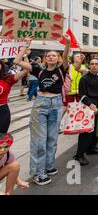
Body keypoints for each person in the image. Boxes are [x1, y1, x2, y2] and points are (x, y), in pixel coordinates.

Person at [29, 34, 71, 186]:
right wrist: (26, 45)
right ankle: (38, 173)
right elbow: (17, 61)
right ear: (45, 58)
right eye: (49, 55)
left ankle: (48, 165)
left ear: (58, 58)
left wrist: (67, 42)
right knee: (39, 140)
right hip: (41, 104)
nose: (52, 57)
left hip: (57, 103)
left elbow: (66, 55)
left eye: (55, 55)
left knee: (52, 139)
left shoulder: (62, 70)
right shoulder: (38, 70)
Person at [72, 58, 98, 166]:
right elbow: (82, 95)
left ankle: (91, 147)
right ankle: (79, 155)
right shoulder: (84, 79)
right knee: (86, 132)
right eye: (92, 64)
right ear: (88, 66)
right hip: (88, 107)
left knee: (96, 129)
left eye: (96, 64)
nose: (94, 66)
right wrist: (91, 105)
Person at [0, 38, 32, 134]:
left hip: (2, 111)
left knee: (1, 139)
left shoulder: (8, 79)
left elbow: (26, 69)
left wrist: (25, 52)